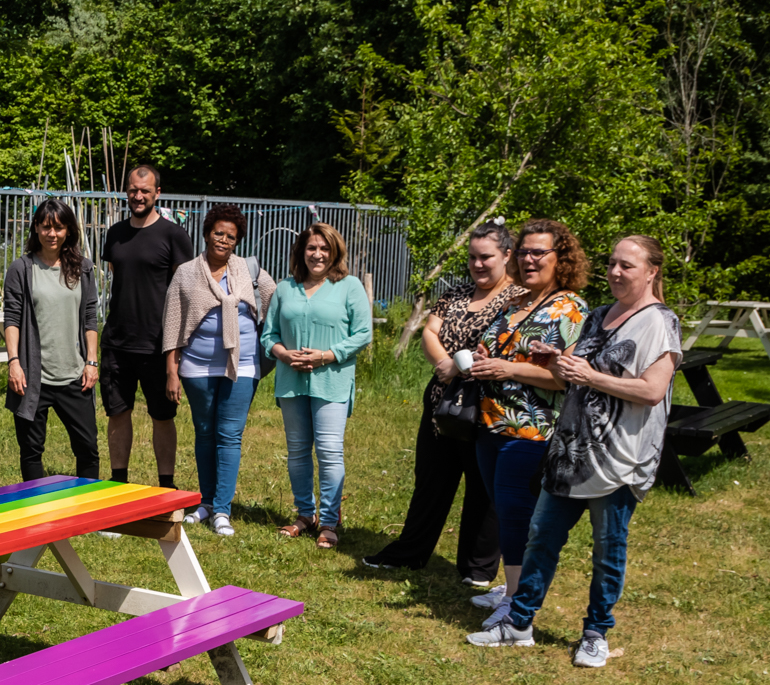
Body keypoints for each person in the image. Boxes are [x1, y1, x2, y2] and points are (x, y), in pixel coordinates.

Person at [475, 236, 680, 666]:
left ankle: (596, 632)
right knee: (541, 537)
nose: (616, 272)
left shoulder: (659, 322)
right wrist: (555, 363)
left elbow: (652, 389)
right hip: (570, 452)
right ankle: (519, 624)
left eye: (627, 265)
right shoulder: (600, 315)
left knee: (608, 549)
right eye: (612, 264)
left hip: (619, 459)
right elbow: (575, 377)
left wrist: (587, 375)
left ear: (652, 271)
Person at [363, 224, 522, 580]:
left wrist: (459, 364)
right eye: (472, 257)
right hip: (442, 403)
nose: (477, 264)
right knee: (431, 481)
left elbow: (502, 347)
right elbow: (429, 331)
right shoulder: (457, 293)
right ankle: (410, 552)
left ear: (507, 256)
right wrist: (443, 364)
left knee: (483, 490)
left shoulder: (518, 298)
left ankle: (477, 568)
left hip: (487, 408)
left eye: (486, 257)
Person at [465, 218, 590, 629]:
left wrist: (507, 369)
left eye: (540, 252)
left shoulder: (570, 307)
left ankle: (517, 601)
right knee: (502, 508)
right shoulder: (513, 301)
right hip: (491, 423)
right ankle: (511, 585)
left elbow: (563, 377)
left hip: (532, 428)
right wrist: (487, 359)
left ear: (562, 258)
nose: (529, 259)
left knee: (517, 512)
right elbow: (504, 352)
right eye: (524, 251)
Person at [162, 203, 277, 537]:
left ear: (237, 240)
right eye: (218, 233)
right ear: (207, 233)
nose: (224, 240)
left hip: (242, 365)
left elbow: (277, 301)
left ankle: (222, 510)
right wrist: (172, 370)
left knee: (229, 435)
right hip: (196, 367)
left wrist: (272, 340)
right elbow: (172, 323)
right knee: (204, 432)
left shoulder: (249, 270)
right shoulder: (185, 272)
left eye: (231, 236)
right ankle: (207, 501)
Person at [261, 222, 372, 549]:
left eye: (324, 248)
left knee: (328, 450)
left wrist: (327, 355)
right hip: (291, 380)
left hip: (332, 381)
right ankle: (305, 514)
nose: (318, 254)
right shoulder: (285, 288)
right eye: (311, 248)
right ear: (301, 252)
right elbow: (269, 335)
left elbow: (363, 333)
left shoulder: (349, 287)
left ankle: (329, 519)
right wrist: (282, 353)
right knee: (297, 452)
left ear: (335, 251)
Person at [98, 165, 193, 487]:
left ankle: (166, 486)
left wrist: (175, 354)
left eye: (145, 191)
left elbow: (184, 292)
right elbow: (117, 274)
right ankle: (117, 484)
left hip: (158, 345)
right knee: (117, 414)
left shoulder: (174, 235)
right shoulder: (115, 234)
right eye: (133, 190)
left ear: (157, 194)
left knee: (162, 417)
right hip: (117, 342)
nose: (138, 196)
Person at [3, 198, 101, 480]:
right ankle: (36, 515)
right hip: (34, 377)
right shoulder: (21, 269)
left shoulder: (82, 268)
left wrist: (92, 362)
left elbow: (90, 317)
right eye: (45, 227)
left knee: (87, 448)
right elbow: (11, 318)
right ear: (36, 228)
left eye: (58, 227)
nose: (52, 234)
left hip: (74, 375)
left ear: (69, 230)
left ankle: (86, 513)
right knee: (32, 450)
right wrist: (14, 362)